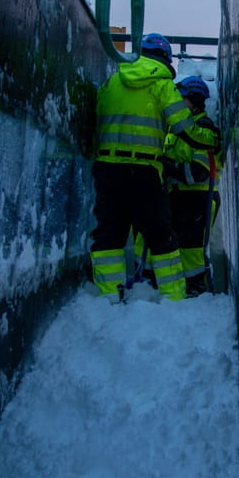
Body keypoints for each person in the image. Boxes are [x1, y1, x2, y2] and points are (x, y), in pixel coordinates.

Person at [89, 33, 216, 303]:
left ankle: (109, 298)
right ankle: (173, 296)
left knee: (109, 233)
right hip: (144, 171)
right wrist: (212, 140)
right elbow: (185, 129)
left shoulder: (111, 82)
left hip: (107, 168)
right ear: (165, 59)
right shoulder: (161, 84)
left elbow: (95, 121)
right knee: (160, 234)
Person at [164, 76, 223, 297]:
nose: (178, 103)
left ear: (196, 101)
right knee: (178, 244)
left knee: (191, 248)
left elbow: (197, 173)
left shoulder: (203, 129)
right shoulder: (177, 130)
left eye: (183, 99)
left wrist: (166, 165)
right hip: (179, 197)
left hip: (198, 198)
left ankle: (196, 288)